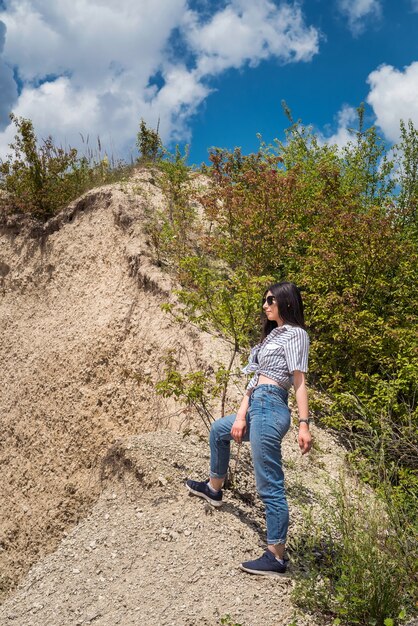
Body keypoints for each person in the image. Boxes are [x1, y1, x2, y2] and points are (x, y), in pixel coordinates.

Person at [186, 281, 312, 576]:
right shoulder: (271, 337)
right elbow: (254, 382)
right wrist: (241, 416)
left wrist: (304, 424)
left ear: (286, 302)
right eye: (265, 301)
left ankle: (276, 557)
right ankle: (213, 489)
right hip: (257, 405)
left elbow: (299, 380)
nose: (265, 305)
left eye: (270, 300)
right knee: (219, 430)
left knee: (269, 483)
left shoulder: (296, 334)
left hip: (271, 407)